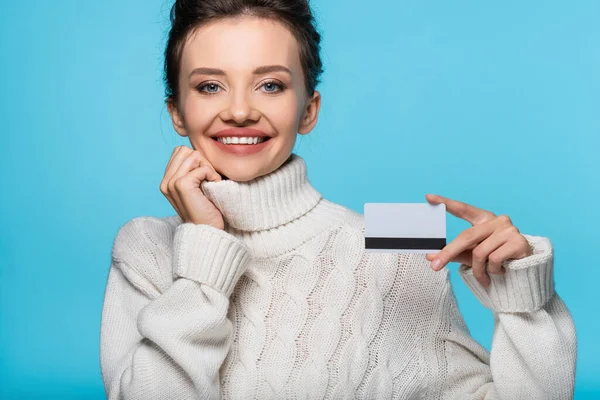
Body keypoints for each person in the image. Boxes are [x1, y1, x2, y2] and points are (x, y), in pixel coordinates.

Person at [99, 0, 577, 399]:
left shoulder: (399, 232)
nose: (240, 110)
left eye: (270, 85)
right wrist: (203, 244)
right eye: (209, 86)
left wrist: (522, 300)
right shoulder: (146, 245)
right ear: (177, 113)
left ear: (308, 109)